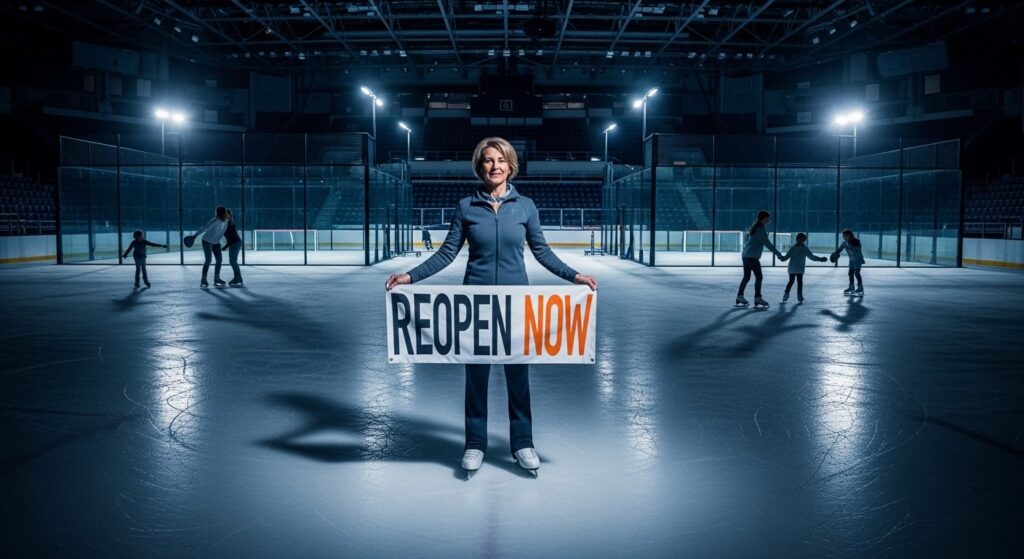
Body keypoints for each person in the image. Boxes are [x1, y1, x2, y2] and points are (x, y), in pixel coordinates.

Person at [385, 137, 598, 478]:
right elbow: (446, 253)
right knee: (476, 379)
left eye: (500, 160)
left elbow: (542, 252)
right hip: (476, 306)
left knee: (518, 379)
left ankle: (522, 443)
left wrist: (575, 276)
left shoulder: (525, 206)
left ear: (510, 166)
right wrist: (410, 277)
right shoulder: (466, 206)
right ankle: (475, 443)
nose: (494, 166)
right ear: (479, 167)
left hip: (516, 306)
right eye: (488, 160)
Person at [736, 209, 783, 309]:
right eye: (767, 219)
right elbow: (767, 244)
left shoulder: (755, 227)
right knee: (759, 277)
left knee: (747, 277)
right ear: (762, 219)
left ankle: (740, 296)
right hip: (752, 257)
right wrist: (778, 254)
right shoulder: (760, 229)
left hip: (746, 255)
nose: (768, 221)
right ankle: (758, 298)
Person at [778, 232, 828, 303]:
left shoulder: (797, 248)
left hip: (795, 269)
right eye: (800, 239)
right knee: (797, 282)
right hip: (795, 268)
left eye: (802, 240)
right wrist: (782, 258)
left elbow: (812, 257)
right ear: (797, 239)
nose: (800, 241)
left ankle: (791, 295)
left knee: (793, 282)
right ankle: (795, 295)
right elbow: (812, 257)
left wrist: (820, 259)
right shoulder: (799, 248)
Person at [192, 206, 229, 288]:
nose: (226, 213)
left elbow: (222, 233)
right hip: (207, 241)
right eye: (225, 212)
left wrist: (227, 243)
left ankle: (217, 279)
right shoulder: (215, 221)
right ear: (222, 213)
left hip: (216, 242)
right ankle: (203, 279)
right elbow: (205, 228)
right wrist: (195, 236)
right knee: (208, 260)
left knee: (219, 260)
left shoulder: (226, 221)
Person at [832, 229, 865, 296]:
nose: (844, 237)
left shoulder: (856, 241)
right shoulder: (844, 243)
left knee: (857, 273)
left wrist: (850, 245)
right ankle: (851, 287)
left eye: (845, 235)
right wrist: (835, 253)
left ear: (849, 235)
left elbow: (856, 250)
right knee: (850, 273)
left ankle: (860, 287)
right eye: (843, 236)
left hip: (858, 259)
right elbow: (840, 249)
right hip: (852, 260)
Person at [221, 209, 243, 286]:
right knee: (232, 261)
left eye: (226, 214)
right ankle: (237, 277)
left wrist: (225, 246)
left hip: (235, 243)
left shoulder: (229, 223)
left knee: (233, 261)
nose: (225, 215)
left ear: (229, 215)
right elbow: (230, 238)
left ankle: (238, 278)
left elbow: (231, 238)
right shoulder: (226, 223)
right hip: (234, 243)